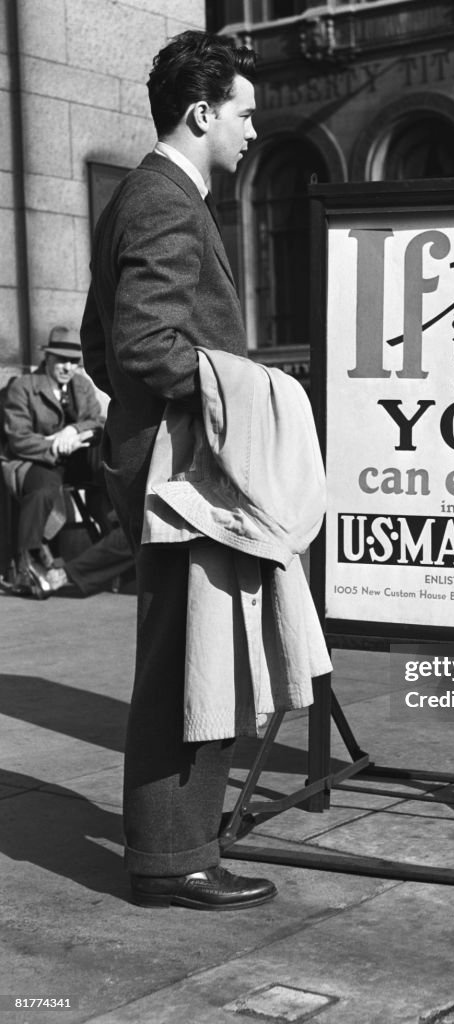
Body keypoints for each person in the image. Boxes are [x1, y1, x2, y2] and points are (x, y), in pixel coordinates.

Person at [79, 30, 277, 910]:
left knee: (186, 657)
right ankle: (173, 858)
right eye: (244, 114)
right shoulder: (165, 201)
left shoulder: (139, 196)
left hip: (158, 458)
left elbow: (98, 342)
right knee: (190, 664)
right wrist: (250, 390)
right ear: (202, 113)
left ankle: (180, 845)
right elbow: (143, 344)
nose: (252, 132)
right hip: (183, 468)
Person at [1, 327, 106, 590]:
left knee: (108, 478)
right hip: (35, 460)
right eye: (61, 360)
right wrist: (55, 446)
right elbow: (19, 438)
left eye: (73, 362)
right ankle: (28, 563)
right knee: (43, 490)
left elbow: (98, 421)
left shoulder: (82, 385)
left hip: (79, 460)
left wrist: (73, 431)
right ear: (46, 358)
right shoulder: (23, 387)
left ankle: (118, 545)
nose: (67, 367)